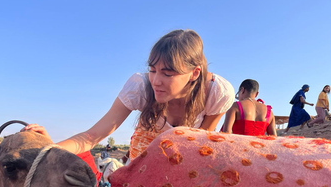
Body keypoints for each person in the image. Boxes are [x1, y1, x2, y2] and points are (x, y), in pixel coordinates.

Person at [23, 29, 235, 161]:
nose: (156, 81)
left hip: (187, 154)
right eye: (152, 70)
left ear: (194, 73)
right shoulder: (140, 87)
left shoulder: (217, 93)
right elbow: (92, 136)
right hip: (143, 154)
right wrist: (48, 149)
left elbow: (199, 144)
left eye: (167, 73)